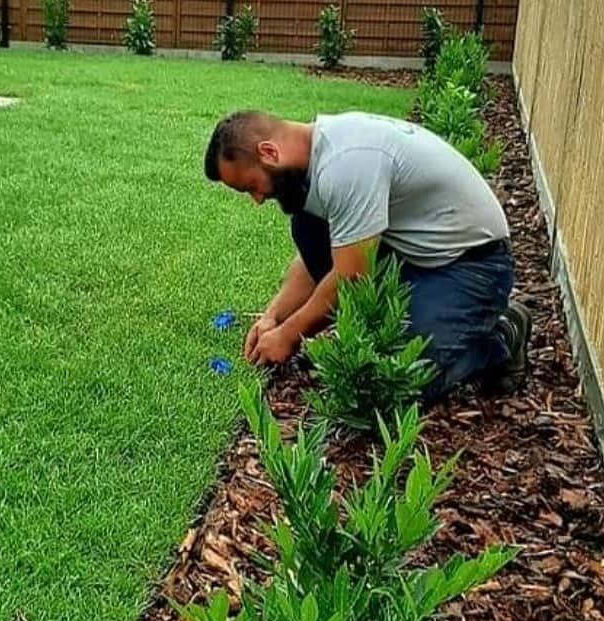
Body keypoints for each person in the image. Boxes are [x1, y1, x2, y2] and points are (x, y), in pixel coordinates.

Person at [203, 109, 530, 404]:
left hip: (473, 267)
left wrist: (289, 336)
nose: (258, 199)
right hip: (419, 255)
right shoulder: (320, 157)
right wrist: (273, 317)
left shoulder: (347, 164)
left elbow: (351, 277)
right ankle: (426, 322)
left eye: (251, 186)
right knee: (308, 227)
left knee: (396, 381)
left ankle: (501, 337)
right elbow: (315, 259)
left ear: (269, 152)